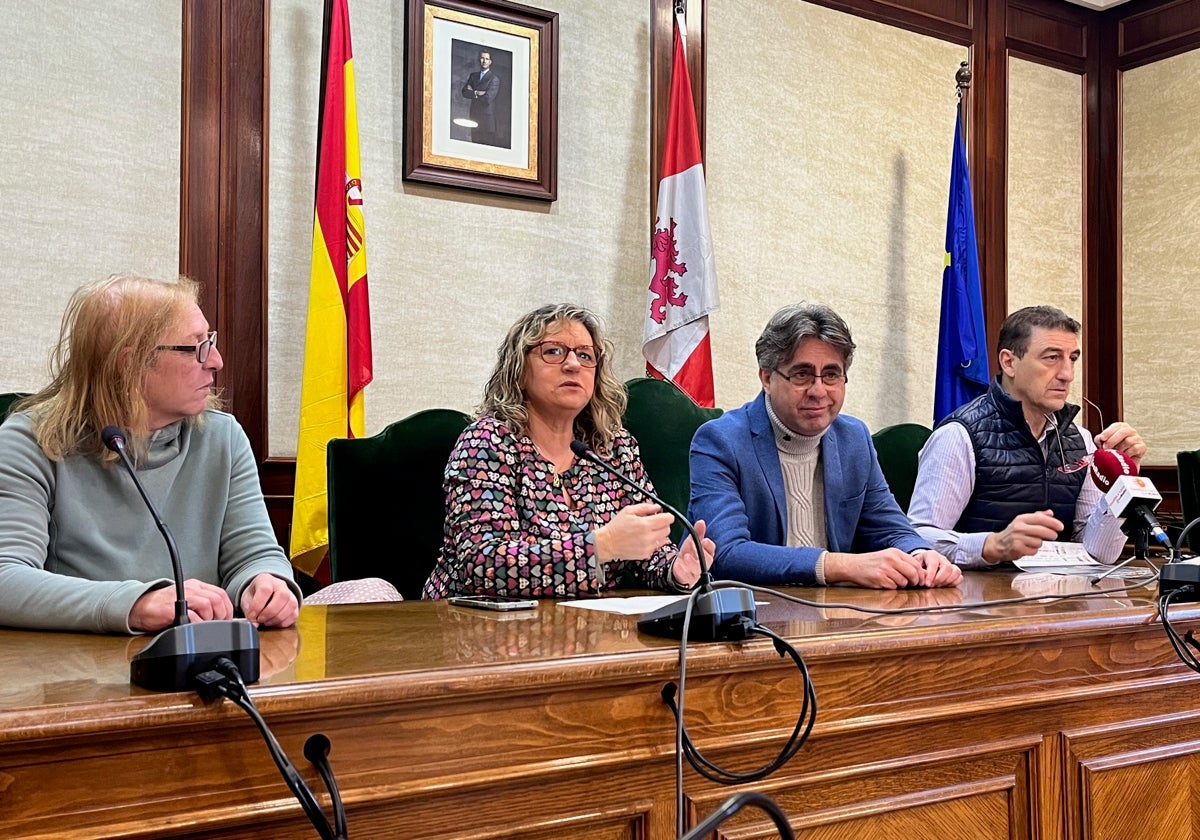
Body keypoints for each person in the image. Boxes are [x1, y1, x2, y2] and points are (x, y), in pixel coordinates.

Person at [0, 274, 302, 634]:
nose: (217, 360)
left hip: (200, 665)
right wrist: (137, 604)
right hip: (76, 670)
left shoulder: (223, 437)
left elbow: (253, 554)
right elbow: (6, 579)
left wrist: (266, 583)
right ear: (129, 364)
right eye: (196, 348)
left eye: (211, 341)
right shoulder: (31, 441)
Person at [422, 303, 712, 599]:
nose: (573, 364)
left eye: (585, 355)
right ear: (519, 370)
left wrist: (675, 569)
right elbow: (482, 564)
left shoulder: (614, 447)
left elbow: (645, 548)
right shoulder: (487, 442)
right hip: (476, 626)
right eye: (553, 351)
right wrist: (602, 546)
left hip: (584, 627)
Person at [689, 303, 961, 589]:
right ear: (767, 378)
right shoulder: (720, 441)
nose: (818, 391)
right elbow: (724, 554)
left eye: (831, 374)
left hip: (838, 613)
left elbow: (891, 528)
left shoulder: (853, 438)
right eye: (802, 375)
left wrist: (921, 555)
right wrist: (839, 565)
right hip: (751, 616)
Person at [907, 305, 1146, 568]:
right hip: (979, 600)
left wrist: (1122, 483)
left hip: (1059, 599)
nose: (1067, 374)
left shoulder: (1082, 440)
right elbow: (918, 538)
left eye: (1073, 358)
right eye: (1052, 358)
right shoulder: (960, 435)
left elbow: (1099, 554)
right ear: (1009, 362)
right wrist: (992, 545)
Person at [461, 49, 500, 146]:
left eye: (487, 59)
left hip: (487, 121)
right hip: (474, 117)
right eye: (482, 58)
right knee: (474, 145)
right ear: (479, 59)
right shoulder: (473, 76)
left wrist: (473, 92)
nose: (484, 61)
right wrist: (478, 93)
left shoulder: (494, 79)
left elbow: (487, 99)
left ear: (490, 62)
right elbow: (465, 92)